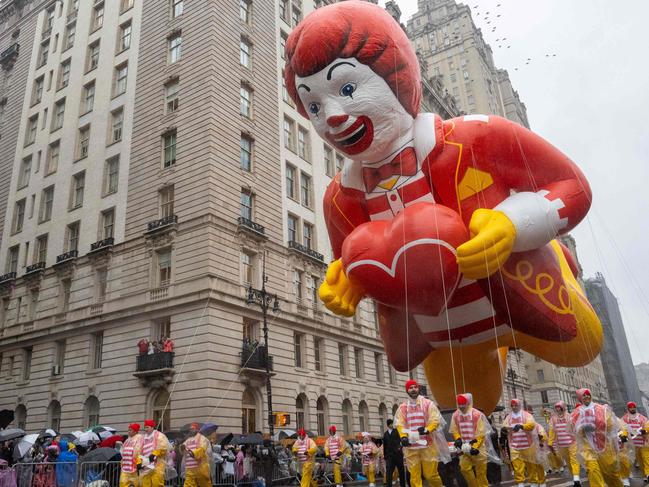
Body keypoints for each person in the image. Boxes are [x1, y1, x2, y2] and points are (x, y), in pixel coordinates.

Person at [284, 0, 602, 415]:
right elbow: (353, 260)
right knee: (463, 403)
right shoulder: (339, 199)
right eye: (313, 106)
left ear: (397, 72)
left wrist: (512, 225)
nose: (332, 117)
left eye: (346, 89)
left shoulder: (476, 135)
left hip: (525, 297)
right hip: (443, 335)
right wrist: (347, 282)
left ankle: (548, 277)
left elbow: (573, 186)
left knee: (583, 345)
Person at [394, 379, 448, 487]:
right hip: (411, 447)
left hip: (427, 445)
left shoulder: (428, 404)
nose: (413, 389)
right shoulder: (403, 407)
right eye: (411, 388)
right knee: (414, 477)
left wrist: (427, 429)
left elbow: (435, 419)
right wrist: (403, 437)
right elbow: (400, 423)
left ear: (418, 388)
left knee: (431, 475)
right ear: (407, 390)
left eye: (415, 387)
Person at [571, 388, 622, 487]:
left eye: (587, 394)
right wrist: (583, 429)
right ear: (580, 398)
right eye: (583, 395)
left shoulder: (601, 408)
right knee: (593, 472)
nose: (586, 397)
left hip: (604, 447)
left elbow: (611, 425)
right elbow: (574, 429)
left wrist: (596, 427)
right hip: (588, 448)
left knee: (611, 474)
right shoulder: (576, 413)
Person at [449, 393, 492, 487]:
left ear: (468, 403)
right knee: (464, 468)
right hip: (465, 448)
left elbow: (481, 433)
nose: (461, 407)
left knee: (481, 472)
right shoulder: (455, 415)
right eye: (459, 404)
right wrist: (458, 439)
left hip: (479, 449)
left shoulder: (477, 414)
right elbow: (454, 429)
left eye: (463, 404)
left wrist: (475, 447)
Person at [501, 399, 537, 487]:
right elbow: (504, 426)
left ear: (519, 405)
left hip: (528, 445)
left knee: (531, 465)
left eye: (515, 405)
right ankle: (520, 483)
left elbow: (532, 425)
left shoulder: (526, 415)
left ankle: (534, 483)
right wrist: (506, 429)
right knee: (517, 466)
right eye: (512, 406)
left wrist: (522, 426)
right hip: (514, 446)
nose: (514, 407)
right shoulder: (508, 417)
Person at [548, 401, 581, 486]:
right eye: (556, 407)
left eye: (559, 407)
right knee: (568, 462)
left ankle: (576, 479)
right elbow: (551, 431)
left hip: (572, 443)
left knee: (574, 459)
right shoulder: (553, 419)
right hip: (561, 445)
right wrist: (550, 442)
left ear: (563, 407)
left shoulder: (569, 417)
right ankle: (576, 478)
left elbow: (575, 428)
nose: (558, 409)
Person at [621, 401, 649, 483]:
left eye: (633, 407)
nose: (632, 408)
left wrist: (645, 430)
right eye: (630, 407)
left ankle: (648, 473)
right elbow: (624, 428)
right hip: (633, 444)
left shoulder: (642, 418)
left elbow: (647, 425)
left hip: (644, 443)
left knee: (646, 459)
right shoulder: (625, 418)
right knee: (640, 461)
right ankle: (644, 475)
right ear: (628, 408)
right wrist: (624, 436)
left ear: (635, 408)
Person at [139, 419, 168, 487]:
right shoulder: (142, 438)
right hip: (145, 466)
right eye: (145, 427)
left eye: (147, 427)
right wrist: (138, 462)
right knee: (144, 484)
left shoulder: (159, 436)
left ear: (152, 427)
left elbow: (163, 448)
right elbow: (138, 451)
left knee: (157, 484)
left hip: (157, 465)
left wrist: (154, 454)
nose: (146, 429)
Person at [382, 419, 406, 487]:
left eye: (392, 423)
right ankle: (389, 485)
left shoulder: (397, 431)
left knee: (401, 471)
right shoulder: (385, 434)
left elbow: (401, 440)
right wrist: (385, 456)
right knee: (389, 472)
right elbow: (384, 446)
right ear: (388, 425)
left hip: (398, 455)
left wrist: (400, 448)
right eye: (391, 424)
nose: (392, 425)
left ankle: (402, 485)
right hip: (389, 456)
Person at [120, 423, 143, 487]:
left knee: (136, 484)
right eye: (128, 430)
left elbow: (139, 452)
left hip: (134, 468)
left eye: (130, 430)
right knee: (123, 483)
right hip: (125, 467)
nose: (128, 432)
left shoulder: (139, 438)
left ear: (135, 431)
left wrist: (139, 462)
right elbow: (122, 451)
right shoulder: (127, 440)